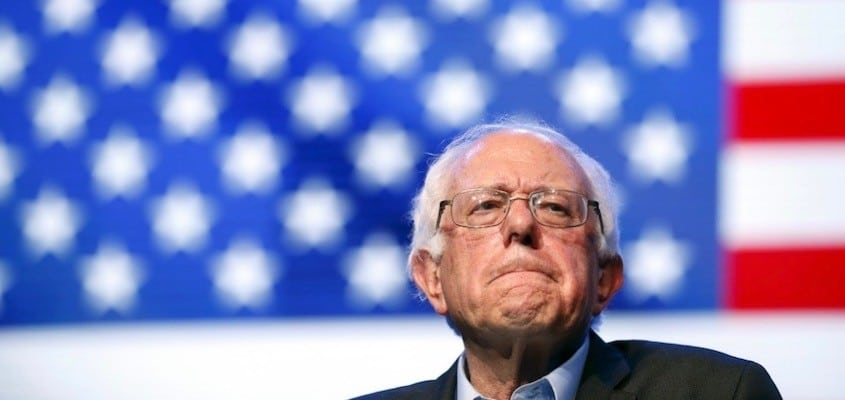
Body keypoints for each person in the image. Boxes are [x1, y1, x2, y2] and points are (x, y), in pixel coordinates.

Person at [352, 120, 781, 400]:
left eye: (555, 207)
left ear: (605, 279)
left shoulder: (721, 393)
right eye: (484, 206)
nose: (520, 223)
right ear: (432, 278)